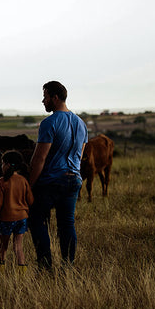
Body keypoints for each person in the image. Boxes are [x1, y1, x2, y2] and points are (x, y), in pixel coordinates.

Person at [28, 81, 89, 270]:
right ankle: (67, 266)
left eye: (45, 96)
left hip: (52, 180)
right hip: (74, 179)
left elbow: (40, 159)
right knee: (66, 223)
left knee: (36, 218)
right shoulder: (81, 123)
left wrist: (28, 186)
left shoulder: (49, 123)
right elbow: (79, 154)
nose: (43, 101)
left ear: (55, 98)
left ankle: (45, 266)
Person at [0, 150, 34, 271]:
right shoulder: (23, 180)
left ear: (7, 165)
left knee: (3, 246)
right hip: (22, 218)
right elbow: (30, 200)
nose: (1, 166)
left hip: (7, 219)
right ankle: (22, 275)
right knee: (18, 246)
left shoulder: (1, 182)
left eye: (2, 163)